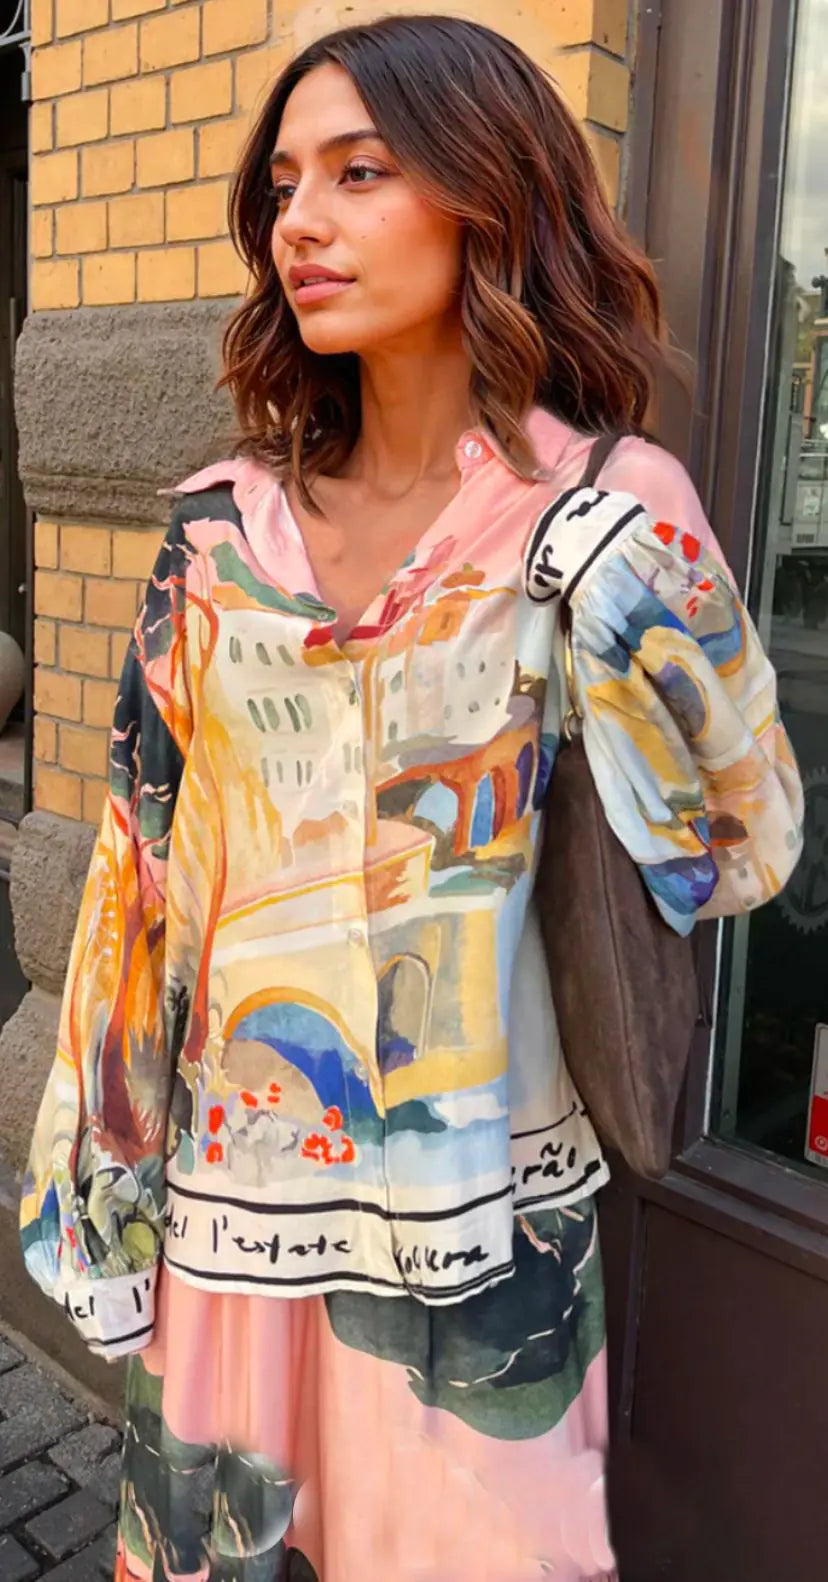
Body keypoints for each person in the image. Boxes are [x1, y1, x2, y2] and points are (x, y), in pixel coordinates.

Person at [19, 15, 803, 1582]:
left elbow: (743, 848)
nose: (300, 222)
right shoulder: (216, 538)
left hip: (481, 1256)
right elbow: (137, 884)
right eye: (284, 186)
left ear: (489, 194)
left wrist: (615, 598)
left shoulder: (605, 513)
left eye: (360, 173)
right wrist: (97, 1199)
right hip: (232, 1238)